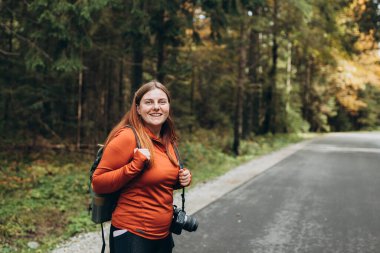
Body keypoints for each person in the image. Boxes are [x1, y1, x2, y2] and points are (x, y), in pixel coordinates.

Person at [92, 80, 192, 253]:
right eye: (149, 102)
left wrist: (180, 180)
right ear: (138, 108)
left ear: (168, 106)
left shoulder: (168, 140)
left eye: (162, 102)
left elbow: (156, 180)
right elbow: (98, 182)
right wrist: (134, 165)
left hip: (163, 235)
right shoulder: (127, 137)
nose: (156, 107)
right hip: (132, 235)